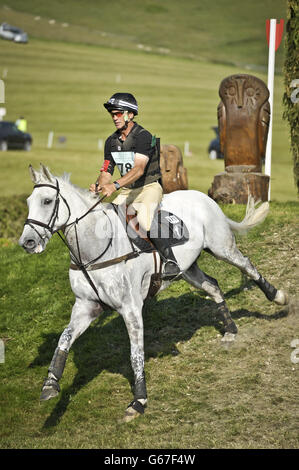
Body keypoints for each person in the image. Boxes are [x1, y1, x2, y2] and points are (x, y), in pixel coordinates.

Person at [89, 92, 181, 279]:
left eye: (118, 113)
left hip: (149, 188)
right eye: (112, 114)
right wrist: (99, 185)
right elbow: (106, 171)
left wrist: (114, 186)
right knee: (108, 220)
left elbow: (139, 170)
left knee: (145, 221)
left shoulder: (143, 136)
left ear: (130, 115)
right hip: (127, 190)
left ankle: (170, 261)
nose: (114, 118)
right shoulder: (111, 142)